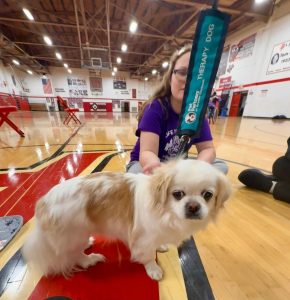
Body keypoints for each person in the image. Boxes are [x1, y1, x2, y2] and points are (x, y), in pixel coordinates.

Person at [127, 44, 228, 175]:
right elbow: (147, 153)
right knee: (137, 175)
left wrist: (198, 168)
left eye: (196, 74)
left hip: (178, 166)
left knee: (220, 166)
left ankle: (179, 182)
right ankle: (181, 183)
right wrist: (156, 167)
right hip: (149, 165)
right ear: (170, 78)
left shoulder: (197, 113)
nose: (189, 80)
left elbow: (208, 149)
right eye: (182, 72)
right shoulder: (155, 107)